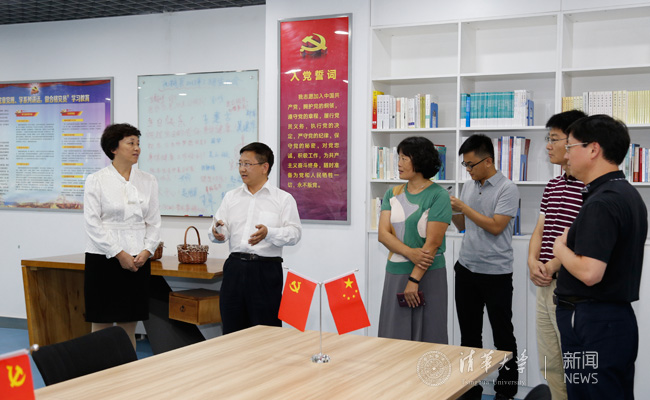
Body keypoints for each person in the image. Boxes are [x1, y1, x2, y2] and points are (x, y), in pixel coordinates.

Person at [553, 115, 647, 400]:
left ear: (593, 149)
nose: (566, 156)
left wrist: (560, 248)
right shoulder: (625, 193)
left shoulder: (603, 201)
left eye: (570, 147)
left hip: (592, 320)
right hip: (609, 320)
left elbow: (590, 273)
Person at [450, 134, 520, 400]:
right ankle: (471, 388)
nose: (468, 170)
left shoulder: (507, 188)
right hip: (466, 268)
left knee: (503, 336)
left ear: (488, 161)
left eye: (471, 164)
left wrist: (464, 208)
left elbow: (496, 226)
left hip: (496, 273)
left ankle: (506, 391)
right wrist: (453, 211)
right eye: (465, 165)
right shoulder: (469, 187)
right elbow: (463, 226)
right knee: (469, 335)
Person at [208, 142, 301, 335]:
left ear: (264, 167)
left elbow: (294, 233)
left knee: (265, 330)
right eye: (240, 163)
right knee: (232, 329)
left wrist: (270, 233)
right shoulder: (231, 197)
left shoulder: (283, 199)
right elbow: (219, 228)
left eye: (248, 164)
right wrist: (216, 232)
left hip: (265, 271)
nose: (242, 169)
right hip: (234, 268)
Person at [83, 123, 161, 349]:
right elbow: (92, 223)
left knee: (129, 322)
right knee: (102, 322)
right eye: (130, 143)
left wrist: (147, 250)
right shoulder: (96, 180)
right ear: (113, 148)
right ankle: (99, 368)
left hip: (138, 260)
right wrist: (118, 253)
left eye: (138, 143)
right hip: (103, 258)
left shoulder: (148, 180)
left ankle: (128, 369)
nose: (137, 148)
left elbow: (154, 222)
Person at [527, 110, 586, 400]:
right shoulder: (552, 185)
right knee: (549, 363)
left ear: (575, 141)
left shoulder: (590, 189)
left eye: (554, 139)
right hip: (544, 282)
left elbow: (582, 240)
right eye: (547, 139)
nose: (548, 146)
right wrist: (532, 261)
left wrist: (551, 265)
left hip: (569, 286)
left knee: (574, 363)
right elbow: (540, 229)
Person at [377, 136, 451, 343]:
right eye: (398, 158)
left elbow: (433, 244)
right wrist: (410, 252)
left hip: (428, 274)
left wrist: (414, 280)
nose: (398, 164)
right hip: (396, 272)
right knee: (394, 335)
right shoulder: (392, 193)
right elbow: (383, 234)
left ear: (419, 160)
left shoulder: (439, 195)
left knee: (429, 335)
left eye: (404, 158)